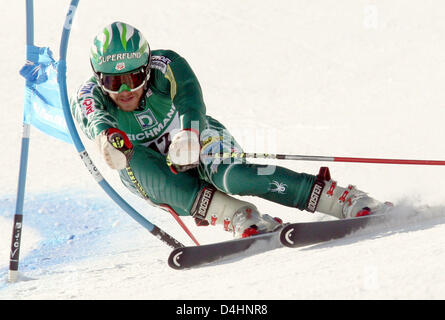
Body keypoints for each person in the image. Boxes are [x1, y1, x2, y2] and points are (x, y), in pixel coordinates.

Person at [71, 22, 388, 239]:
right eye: (113, 81)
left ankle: (341, 199)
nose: (125, 89)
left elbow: (190, 97)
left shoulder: (165, 65)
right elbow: (95, 121)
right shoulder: (90, 96)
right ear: (98, 77)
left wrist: (190, 133)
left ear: (146, 65)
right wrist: (105, 143)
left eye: (133, 78)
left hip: (196, 139)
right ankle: (240, 216)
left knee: (234, 176)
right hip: (157, 172)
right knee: (134, 164)